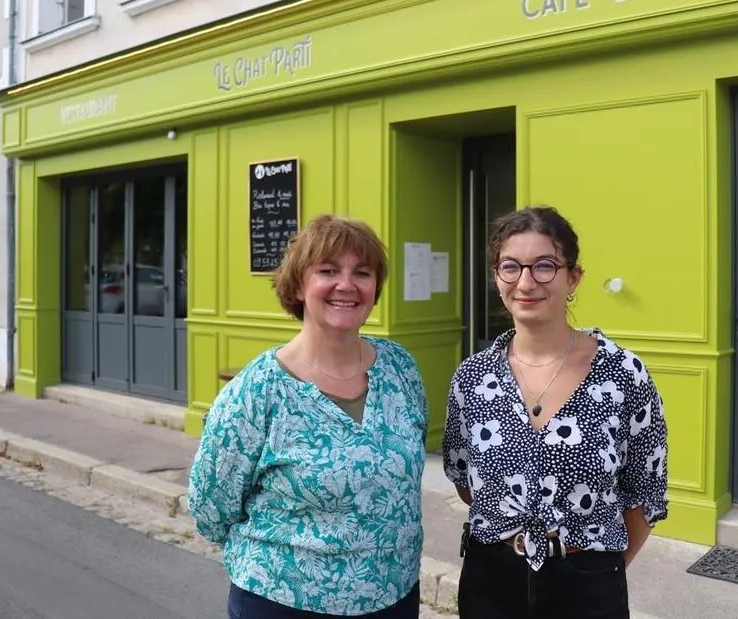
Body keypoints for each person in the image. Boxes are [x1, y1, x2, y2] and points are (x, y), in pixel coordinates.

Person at [189, 214, 427, 619]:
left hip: (393, 596)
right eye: (328, 271)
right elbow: (210, 508)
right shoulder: (257, 390)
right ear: (298, 285)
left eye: (362, 273)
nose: (346, 285)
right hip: (285, 601)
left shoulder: (399, 368)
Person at [442, 206, 669, 619]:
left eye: (544, 266)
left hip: (586, 582)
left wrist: (598, 565)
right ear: (497, 277)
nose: (526, 282)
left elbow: (644, 491)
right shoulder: (472, 377)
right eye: (510, 266)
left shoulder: (622, 374)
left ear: (573, 277)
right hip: (490, 579)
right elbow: (464, 477)